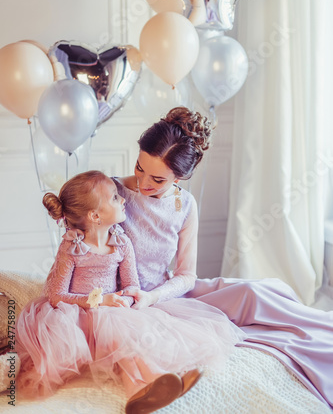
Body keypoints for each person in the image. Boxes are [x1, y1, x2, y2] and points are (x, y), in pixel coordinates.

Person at [113, 106, 333, 409]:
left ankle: (321, 328)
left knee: (253, 292)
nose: (143, 182)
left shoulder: (185, 205)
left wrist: (154, 297)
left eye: (158, 179)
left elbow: (186, 275)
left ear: (182, 176)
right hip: (125, 297)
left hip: (162, 292)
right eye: (139, 168)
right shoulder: (111, 193)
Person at [15, 171, 244, 414]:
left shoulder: (121, 242)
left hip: (112, 307)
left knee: (136, 335)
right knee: (119, 339)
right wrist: (100, 301)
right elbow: (57, 295)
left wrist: (125, 299)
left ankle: (157, 383)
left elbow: (131, 283)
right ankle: (141, 388)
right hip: (78, 315)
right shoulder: (72, 247)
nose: (123, 199)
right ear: (94, 215)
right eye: (115, 198)